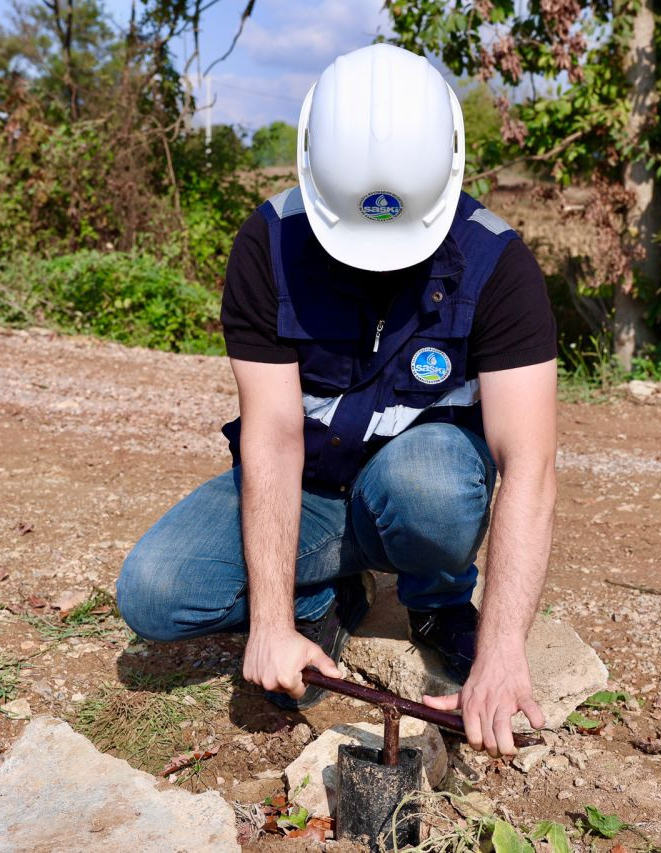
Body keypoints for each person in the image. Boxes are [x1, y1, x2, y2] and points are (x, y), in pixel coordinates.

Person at [116, 43, 558, 757]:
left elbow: (530, 464)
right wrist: (268, 619)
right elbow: (273, 434)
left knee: (432, 483)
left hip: (418, 487)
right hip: (313, 488)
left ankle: (436, 599)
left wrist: (505, 649)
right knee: (154, 592)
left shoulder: (498, 264)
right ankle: (325, 598)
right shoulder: (269, 246)